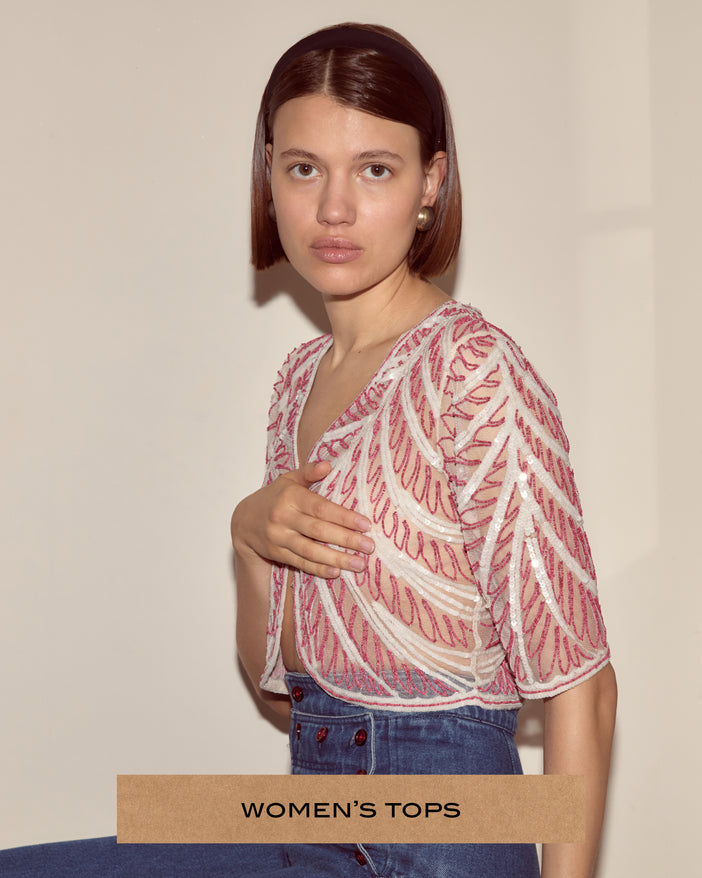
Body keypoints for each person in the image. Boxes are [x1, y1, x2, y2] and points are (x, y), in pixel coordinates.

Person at [0, 22, 616, 878]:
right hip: (315, 803)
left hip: (446, 822)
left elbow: (582, 683)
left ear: (430, 184)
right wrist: (248, 538)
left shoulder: (470, 368)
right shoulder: (299, 378)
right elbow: (283, 693)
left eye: (375, 169)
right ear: (270, 179)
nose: (333, 208)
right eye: (303, 169)